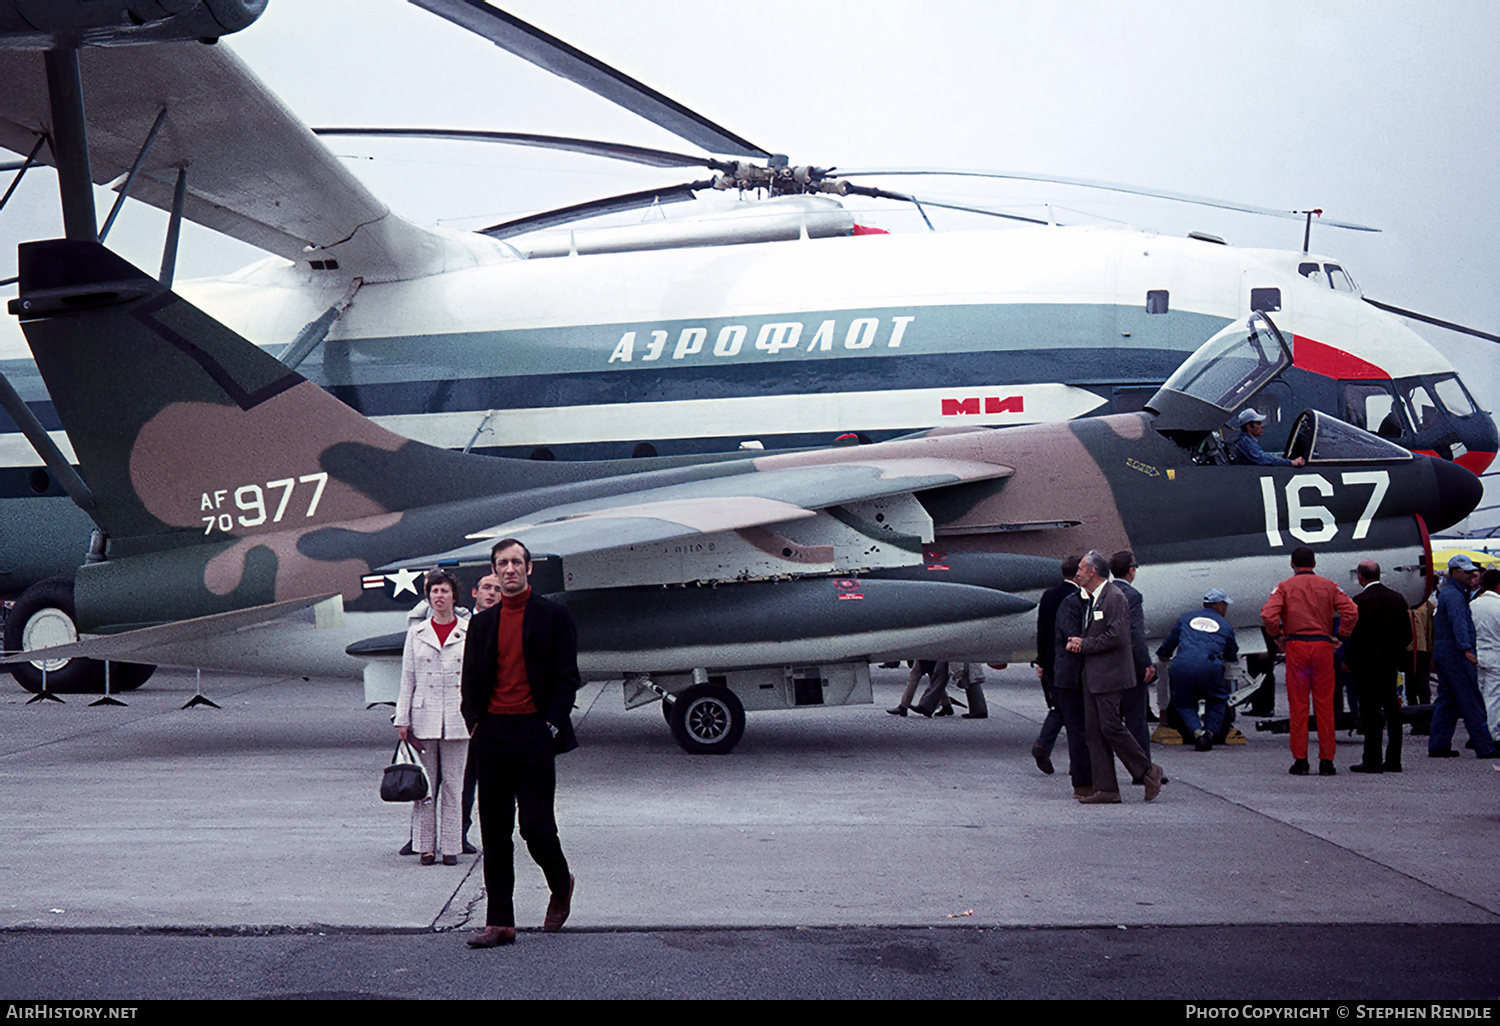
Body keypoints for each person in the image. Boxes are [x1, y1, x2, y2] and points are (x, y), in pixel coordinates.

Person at [462, 539, 581, 948]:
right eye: (501, 564)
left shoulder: (553, 614)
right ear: (494, 572)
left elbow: (568, 676)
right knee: (495, 832)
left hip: (533, 733)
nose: (509, 569)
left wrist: (549, 724)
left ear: (529, 568)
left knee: (535, 827)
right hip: (492, 735)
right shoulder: (482, 624)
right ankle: (500, 923)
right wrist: (475, 723)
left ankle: (560, 882)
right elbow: (471, 682)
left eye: (516, 562)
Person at [1067, 550, 1164, 803]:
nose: (1076, 573)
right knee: (1094, 732)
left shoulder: (1114, 597)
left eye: (1080, 569)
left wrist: (1084, 644)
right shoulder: (1091, 598)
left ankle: (1148, 770)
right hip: (1093, 675)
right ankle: (1107, 789)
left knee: (1111, 727)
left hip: (1110, 674)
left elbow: (1118, 636)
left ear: (1093, 571)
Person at [1260, 546, 1358, 776]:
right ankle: (1327, 761)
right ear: (1314, 563)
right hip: (1323, 648)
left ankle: (1301, 760)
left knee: (1299, 705)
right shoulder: (1329, 585)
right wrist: (1341, 636)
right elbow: (1351, 611)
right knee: (1325, 705)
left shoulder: (1284, 587)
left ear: (1292, 564)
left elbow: (1267, 615)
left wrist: (1277, 637)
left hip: (1297, 648)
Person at [395, 569, 470, 866]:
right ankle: (424, 846)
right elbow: (407, 678)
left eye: (444, 591)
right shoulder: (417, 633)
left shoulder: (469, 630)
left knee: (454, 785)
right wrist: (402, 718)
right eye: (434, 591)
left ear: (454, 596)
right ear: (428, 597)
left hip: (457, 717)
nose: (439, 596)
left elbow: (477, 677)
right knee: (425, 787)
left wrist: (477, 717)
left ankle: (451, 846)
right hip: (424, 716)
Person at [1344, 560, 1413, 774]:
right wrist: (1395, 654)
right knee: (1393, 710)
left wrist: (1350, 661)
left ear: (1361, 577)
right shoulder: (1398, 599)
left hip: (1366, 665)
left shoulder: (1359, 601)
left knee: (1371, 712)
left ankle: (1372, 759)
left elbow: (1354, 637)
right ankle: (1394, 759)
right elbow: (1407, 635)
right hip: (1389, 663)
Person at [1428, 555, 1499, 760]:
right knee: (1471, 699)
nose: (1471, 575)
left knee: (1447, 700)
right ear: (1454, 572)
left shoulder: (1448, 593)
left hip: (1444, 653)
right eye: (1466, 572)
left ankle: (1438, 745)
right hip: (1456, 654)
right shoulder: (1456, 596)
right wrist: (1467, 649)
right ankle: (1485, 747)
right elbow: (1459, 623)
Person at [1157, 589, 1239, 751]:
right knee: (1217, 699)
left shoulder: (1186, 618)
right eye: (1225, 605)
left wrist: (1164, 655)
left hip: (1181, 665)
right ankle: (1210, 732)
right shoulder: (1225, 625)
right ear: (1219, 605)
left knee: (1184, 702)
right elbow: (1231, 653)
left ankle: (1197, 732)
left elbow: (1169, 642)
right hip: (1210, 666)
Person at [1031, 555, 1081, 772]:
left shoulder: (1049, 595)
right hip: (1070, 661)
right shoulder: (1078, 597)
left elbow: (1042, 630)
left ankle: (1044, 745)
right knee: (1075, 711)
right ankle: (1076, 762)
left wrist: (1040, 660)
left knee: (1059, 706)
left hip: (1050, 659)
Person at [1052, 566, 1095, 799]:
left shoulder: (1099, 601)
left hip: (1087, 675)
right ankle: (1083, 783)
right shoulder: (1071, 603)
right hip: (1072, 676)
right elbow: (1072, 637)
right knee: (1079, 731)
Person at [1109, 550, 1156, 756]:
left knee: (1107, 719)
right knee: (1136, 718)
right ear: (1130, 570)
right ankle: (1143, 768)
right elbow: (1135, 633)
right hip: (1128, 666)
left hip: (1106, 666)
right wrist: (1145, 663)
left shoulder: (1104, 592)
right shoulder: (1132, 596)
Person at [1472, 568, 1500, 731]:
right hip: (1495, 655)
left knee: (1479, 695)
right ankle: (1492, 734)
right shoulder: (1498, 605)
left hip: (1476, 655)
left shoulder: (1472, 605)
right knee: (1494, 696)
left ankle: (1478, 732)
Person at [1230, 409, 1306, 467]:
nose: (1262, 426)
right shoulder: (1246, 442)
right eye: (1258, 423)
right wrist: (1291, 462)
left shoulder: (1246, 441)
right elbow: (1262, 459)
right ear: (1249, 426)